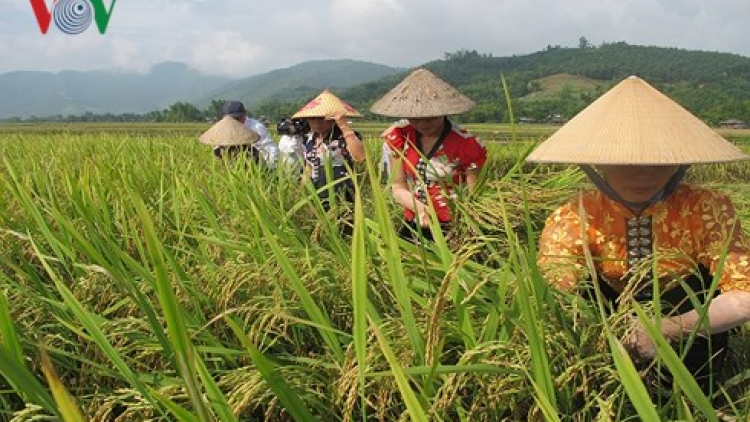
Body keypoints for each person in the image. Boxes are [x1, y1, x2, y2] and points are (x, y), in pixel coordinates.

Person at [529, 75, 750, 392]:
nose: (642, 173)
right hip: (608, 332)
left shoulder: (707, 209)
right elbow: (557, 293)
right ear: (597, 164)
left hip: (692, 332)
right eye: (625, 161)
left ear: (679, 163)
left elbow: (744, 295)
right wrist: (602, 333)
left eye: (657, 161)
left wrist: (669, 330)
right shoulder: (575, 217)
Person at [370, 68, 487, 242]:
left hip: (455, 224)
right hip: (415, 219)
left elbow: (476, 195)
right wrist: (421, 210)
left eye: (430, 118)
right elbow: (398, 187)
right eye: (415, 118)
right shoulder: (400, 137)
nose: (422, 124)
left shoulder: (467, 145)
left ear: (442, 112)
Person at [291, 89, 365, 234]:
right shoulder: (310, 140)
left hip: (342, 193)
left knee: (344, 231)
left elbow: (360, 157)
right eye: (313, 118)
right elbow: (308, 167)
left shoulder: (344, 136)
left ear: (332, 119)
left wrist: (344, 125)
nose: (317, 122)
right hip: (317, 192)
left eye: (322, 118)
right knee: (320, 230)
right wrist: (300, 191)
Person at [222, 100, 280, 168]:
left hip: (259, 165)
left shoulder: (256, 127)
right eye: (232, 119)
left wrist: (271, 168)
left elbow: (272, 148)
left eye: (237, 118)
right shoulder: (226, 129)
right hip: (238, 166)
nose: (235, 121)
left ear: (244, 114)